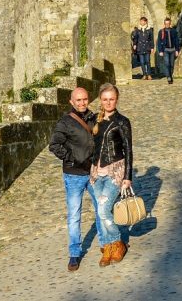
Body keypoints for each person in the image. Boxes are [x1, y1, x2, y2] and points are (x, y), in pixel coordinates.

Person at [48, 87, 98, 271]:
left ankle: (106, 243)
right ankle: (74, 253)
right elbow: (54, 145)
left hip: (93, 172)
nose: (82, 103)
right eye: (78, 100)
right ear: (71, 102)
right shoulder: (65, 122)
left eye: (85, 99)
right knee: (74, 215)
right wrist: (72, 158)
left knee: (101, 208)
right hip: (73, 174)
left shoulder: (93, 118)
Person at [90, 82, 133, 266]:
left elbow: (129, 150)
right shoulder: (95, 119)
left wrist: (127, 178)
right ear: (100, 100)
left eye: (112, 99)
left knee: (103, 210)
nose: (108, 103)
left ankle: (117, 243)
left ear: (117, 100)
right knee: (101, 213)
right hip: (96, 174)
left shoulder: (122, 121)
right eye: (105, 99)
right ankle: (108, 248)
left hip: (115, 172)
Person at [131, 16, 154, 80]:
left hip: (147, 47)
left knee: (147, 61)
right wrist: (135, 44)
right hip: (140, 47)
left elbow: (151, 39)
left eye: (142, 21)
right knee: (142, 62)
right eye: (140, 21)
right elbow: (135, 38)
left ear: (145, 22)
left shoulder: (149, 30)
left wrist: (152, 47)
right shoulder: (138, 30)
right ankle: (144, 74)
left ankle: (149, 75)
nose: (141, 22)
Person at [156, 17, 179, 84]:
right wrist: (160, 51)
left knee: (171, 64)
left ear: (170, 23)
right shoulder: (161, 31)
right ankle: (168, 77)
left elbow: (176, 41)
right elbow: (159, 42)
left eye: (168, 23)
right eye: (166, 23)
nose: (167, 25)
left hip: (172, 50)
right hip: (165, 50)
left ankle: (170, 75)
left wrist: (177, 50)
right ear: (164, 24)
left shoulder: (174, 31)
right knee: (167, 64)